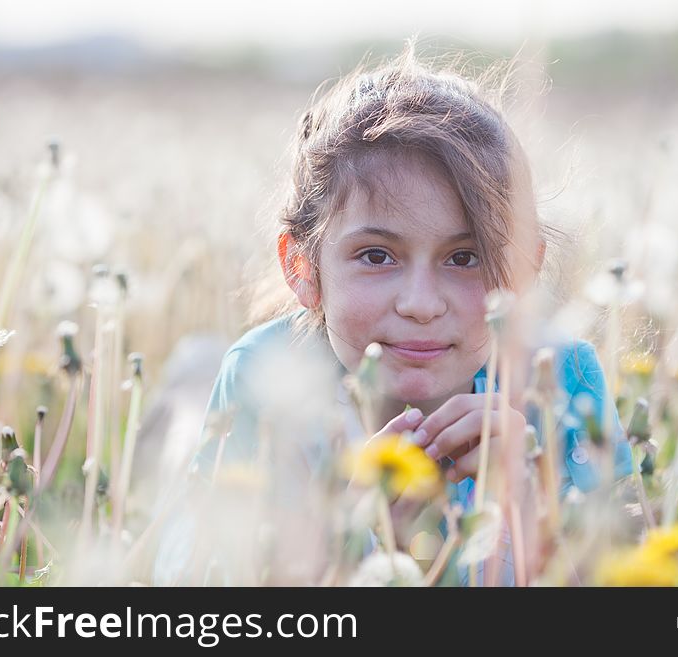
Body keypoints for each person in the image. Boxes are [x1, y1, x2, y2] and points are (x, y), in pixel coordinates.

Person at [153, 44, 634, 586]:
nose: (421, 304)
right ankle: (189, 389)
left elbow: (627, 574)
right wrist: (344, 537)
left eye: (465, 257)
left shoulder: (562, 381)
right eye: (376, 256)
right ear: (302, 266)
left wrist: (529, 514)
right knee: (183, 430)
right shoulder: (265, 383)